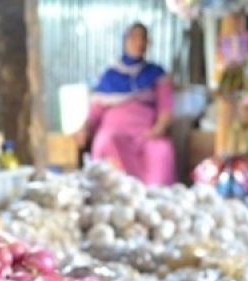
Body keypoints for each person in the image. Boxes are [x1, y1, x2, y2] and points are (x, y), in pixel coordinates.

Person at [75, 23, 175, 186]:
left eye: (143, 38)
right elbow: (94, 113)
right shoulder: (109, 76)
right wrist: (84, 128)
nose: (139, 43)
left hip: (146, 133)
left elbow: (165, 109)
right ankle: (111, 197)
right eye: (134, 37)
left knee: (162, 150)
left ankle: (155, 200)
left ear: (148, 43)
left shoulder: (157, 74)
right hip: (115, 132)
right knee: (105, 142)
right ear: (125, 41)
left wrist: (157, 130)